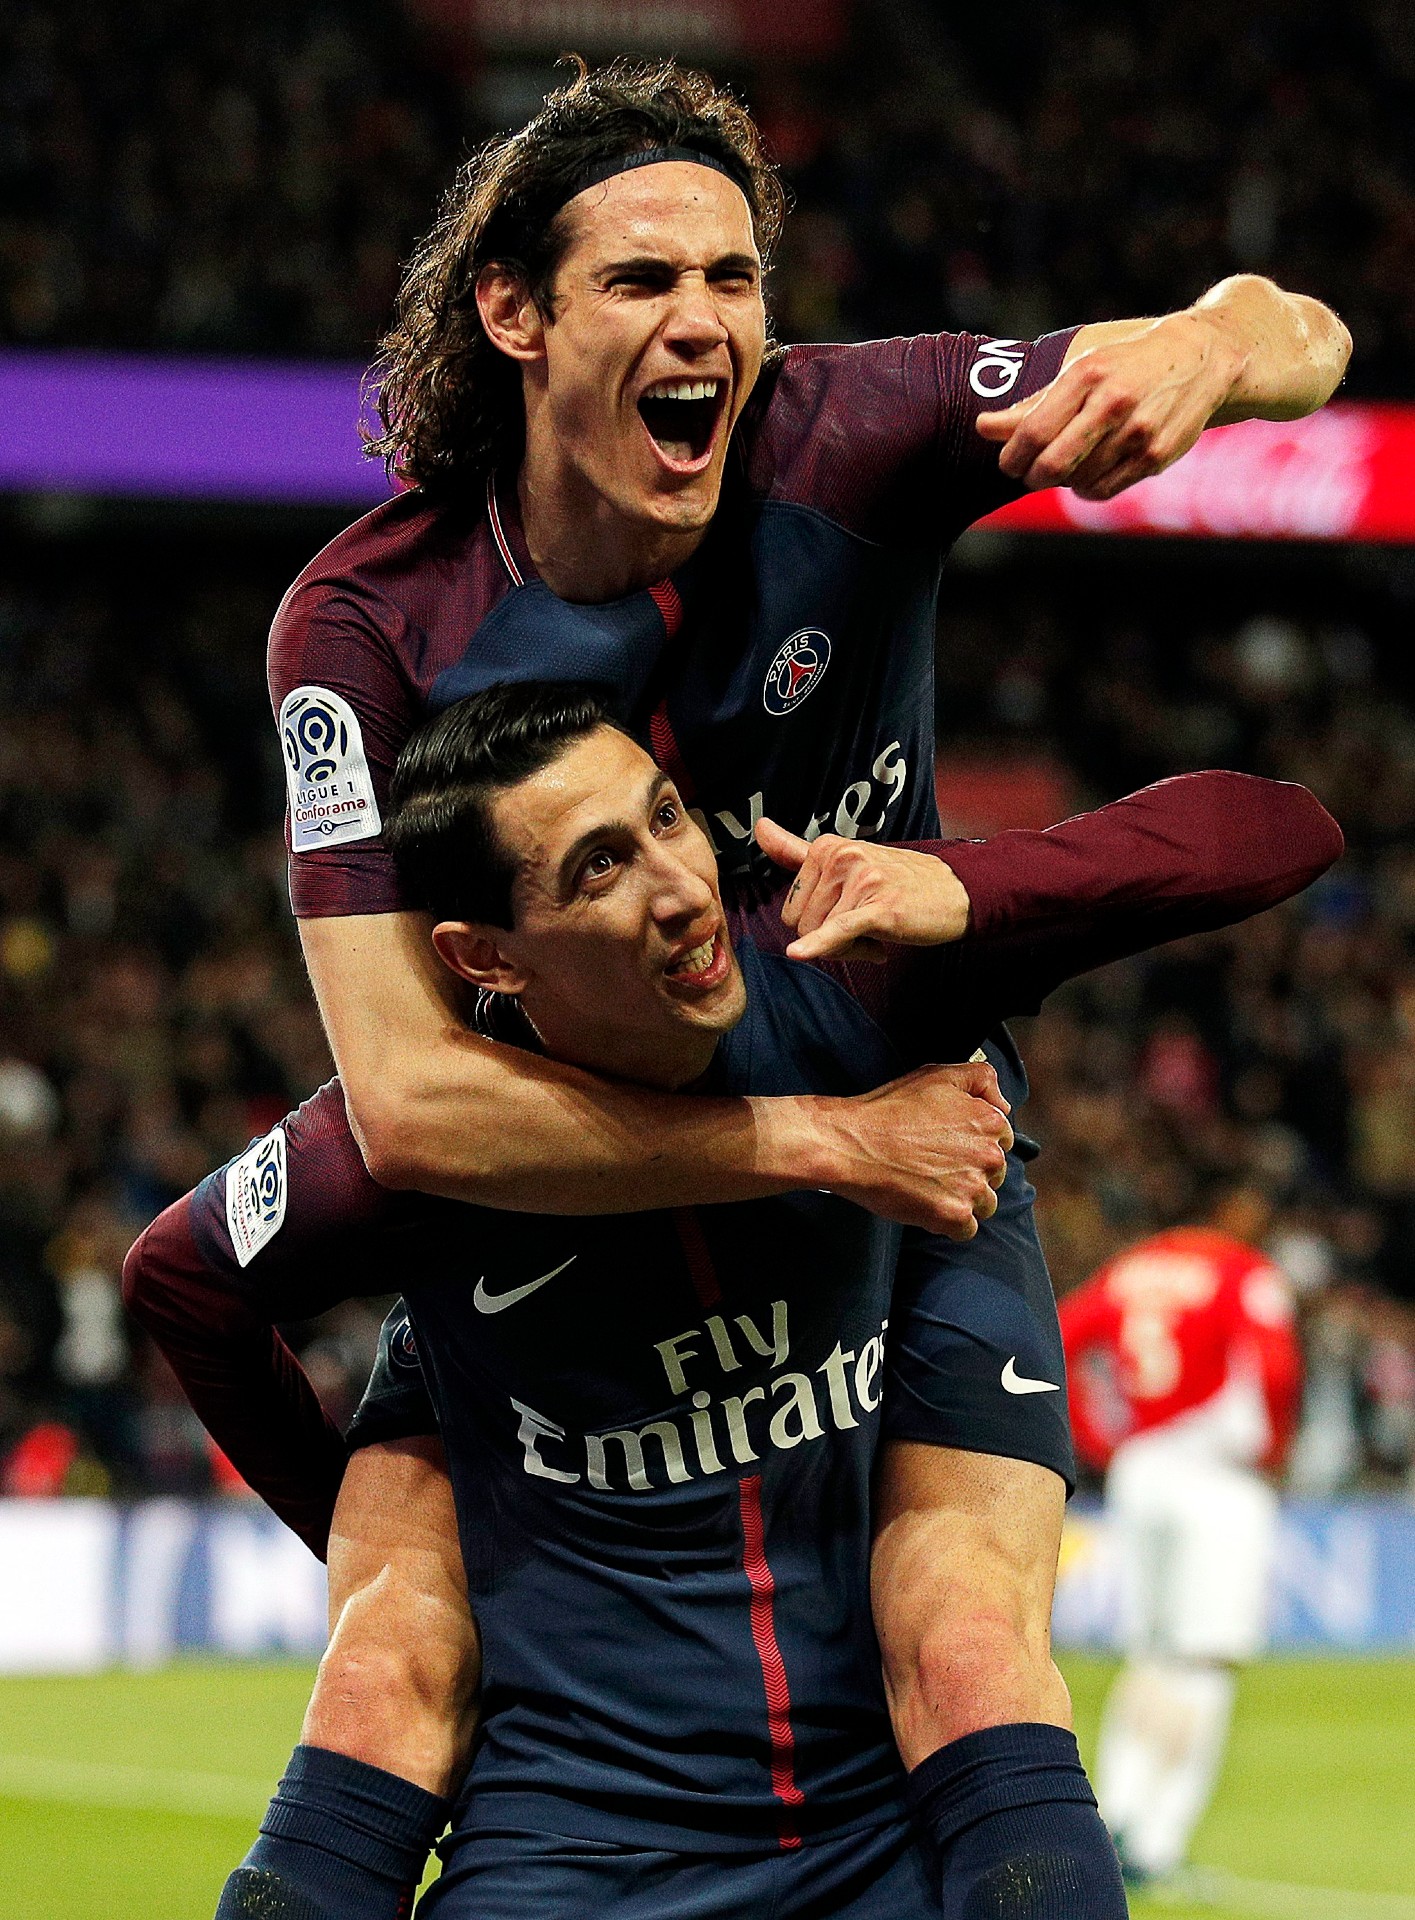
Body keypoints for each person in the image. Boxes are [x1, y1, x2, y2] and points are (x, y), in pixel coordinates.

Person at [263, 51, 1353, 1881]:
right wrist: (813, 1148)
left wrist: (1222, 330)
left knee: (965, 1642)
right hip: (568, 1184)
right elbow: (415, 1095)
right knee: (386, 1675)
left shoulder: (856, 435)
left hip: (906, 1118)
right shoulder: (366, 628)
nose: (703, 323)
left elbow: (1307, 337)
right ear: (512, 311)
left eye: (735, 279)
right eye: (640, 281)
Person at [126, 683, 1342, 1918]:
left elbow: (1283, 830)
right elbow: (180, 1278)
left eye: (665, 818)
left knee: (972, 1649)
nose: (680, 885)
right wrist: (360, 1530)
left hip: (877, 1817)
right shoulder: (415, 1143)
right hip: (572, 1846)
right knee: (379, 1676)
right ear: (483, 956)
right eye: (600, 868)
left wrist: (972, 886)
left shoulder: (846, 976)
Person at [1058, 1184, 1305, 1886]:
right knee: (1204, 1659)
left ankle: (1113, 1814)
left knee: (1151, 1652)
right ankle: (1156, 1840)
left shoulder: (1133, 1267)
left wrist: (1095, 1437)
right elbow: (1277, 1370)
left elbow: (1059, 1336)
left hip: (1141, 1468)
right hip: (1217, 1476)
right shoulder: (1243, 1273)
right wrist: (1273, 1452)